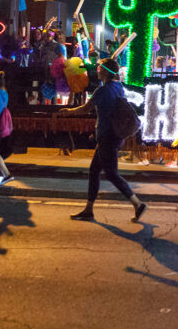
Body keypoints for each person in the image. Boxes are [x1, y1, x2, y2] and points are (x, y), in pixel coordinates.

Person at [58, 58, 148, 223]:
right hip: (111, 136)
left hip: (108, 137)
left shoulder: (103, 90)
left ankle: (137, 203)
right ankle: (88, 210)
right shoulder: (118, 87)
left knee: (112, 174)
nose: (97, 70)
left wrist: (68, 112)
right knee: (94, 172)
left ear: (106, 72)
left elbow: (85, 109)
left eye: (100, 68)